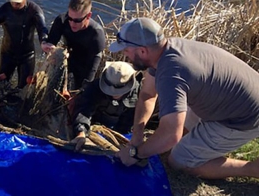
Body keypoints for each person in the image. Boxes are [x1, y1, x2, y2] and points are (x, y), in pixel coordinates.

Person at [111, 17, 259, 179]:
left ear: (142, 51)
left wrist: (135, 153)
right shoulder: (163, 51)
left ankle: (252, 169)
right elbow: (147, 95)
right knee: (175, 139)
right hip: (223, 100)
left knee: (179, 161)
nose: (125, 55)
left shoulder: (172, 73)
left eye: (126, 50)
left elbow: (171, 135)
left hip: (243, 117)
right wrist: (137, 136)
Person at [41, 0, 106, 90]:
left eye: (77, 20)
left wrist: (82, 90)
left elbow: (92, 66)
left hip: (86, 62)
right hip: (68, 56)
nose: (72, 23)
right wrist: (47, 46)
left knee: (81, 90)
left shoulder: (96, 34)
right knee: (52, 86)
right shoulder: (62, 20)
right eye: (70, 18)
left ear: (88, 16)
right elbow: (51, 42)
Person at [72, 61, 146, 146]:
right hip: (93, 124)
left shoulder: (139, 93)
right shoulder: (94, 87)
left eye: (119, 90)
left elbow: (128, 121)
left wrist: (117, 139)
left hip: (119, 129)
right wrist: (81, 132)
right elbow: (84, 111)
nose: (114, 93)